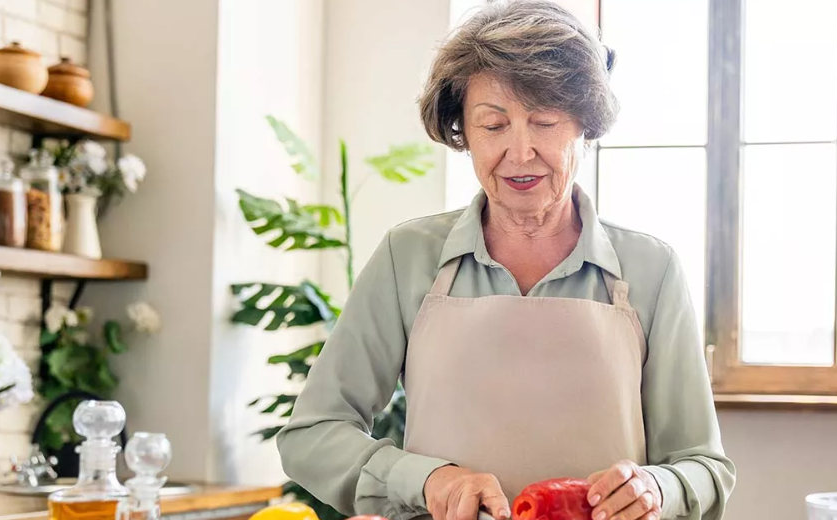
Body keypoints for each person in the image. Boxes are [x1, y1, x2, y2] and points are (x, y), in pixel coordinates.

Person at [277, 2, 736, 520]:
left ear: (583, 125)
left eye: (544, 122)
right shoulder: (407, 257)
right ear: (463, 134)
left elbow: (703, 465)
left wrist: (656, 488)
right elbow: (312, 433)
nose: (520, 152)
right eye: (493, 125)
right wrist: (426, 479)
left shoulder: (650, 269)